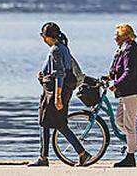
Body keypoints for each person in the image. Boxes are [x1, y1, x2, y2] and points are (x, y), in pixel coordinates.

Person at [28, 22, 91, 167]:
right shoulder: (63, 48)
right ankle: (82, 154)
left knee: (46, 123)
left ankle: (43, 158)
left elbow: (60, 74)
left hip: (54, 93)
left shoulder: (56, 50)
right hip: (55, 91)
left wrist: (57, 97)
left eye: (43, 36)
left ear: (47, 37)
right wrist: (43, 75)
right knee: (59, 124)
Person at [108, 23, 137, 167]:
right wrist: (109, 77)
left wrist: (116, 84)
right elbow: (118, 69)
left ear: (126, 36)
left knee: (129, 125)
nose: (115, 38)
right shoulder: (123, 49)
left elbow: (129, 72)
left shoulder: (130, 49)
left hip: (133, 91)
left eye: (117, 35)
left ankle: (130, 157)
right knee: (120, 121)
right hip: (127, 92)